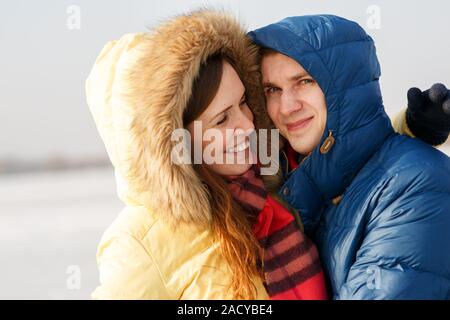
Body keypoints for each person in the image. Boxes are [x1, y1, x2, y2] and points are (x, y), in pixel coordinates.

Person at [86, 10, 328, 300]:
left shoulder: (268, 195)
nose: (247, 124)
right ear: (178, 140)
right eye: (221, 120)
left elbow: (356, 146)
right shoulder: (139, 244)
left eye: (243, 102)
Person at [249, 14, 450, 299]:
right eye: (272, 89)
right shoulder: (283, 185)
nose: (286, 106)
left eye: (304, 81)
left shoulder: (416, 184)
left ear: (345, 89)